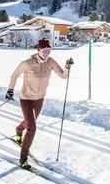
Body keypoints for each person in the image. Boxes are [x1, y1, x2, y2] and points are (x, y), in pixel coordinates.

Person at [5, 38, 72, 170]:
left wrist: (67, 67)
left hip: (39, 98)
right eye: (44, 51)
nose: (46, 53)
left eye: (48, 51)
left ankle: (19, 129)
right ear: (38, 50)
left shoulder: (51, 62)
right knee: (32, 128)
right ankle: (23, 158)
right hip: (26, 98)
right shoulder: (27, 63)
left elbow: (64, 76)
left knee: (31, 121)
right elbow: (14, 75)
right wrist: (10, 90)